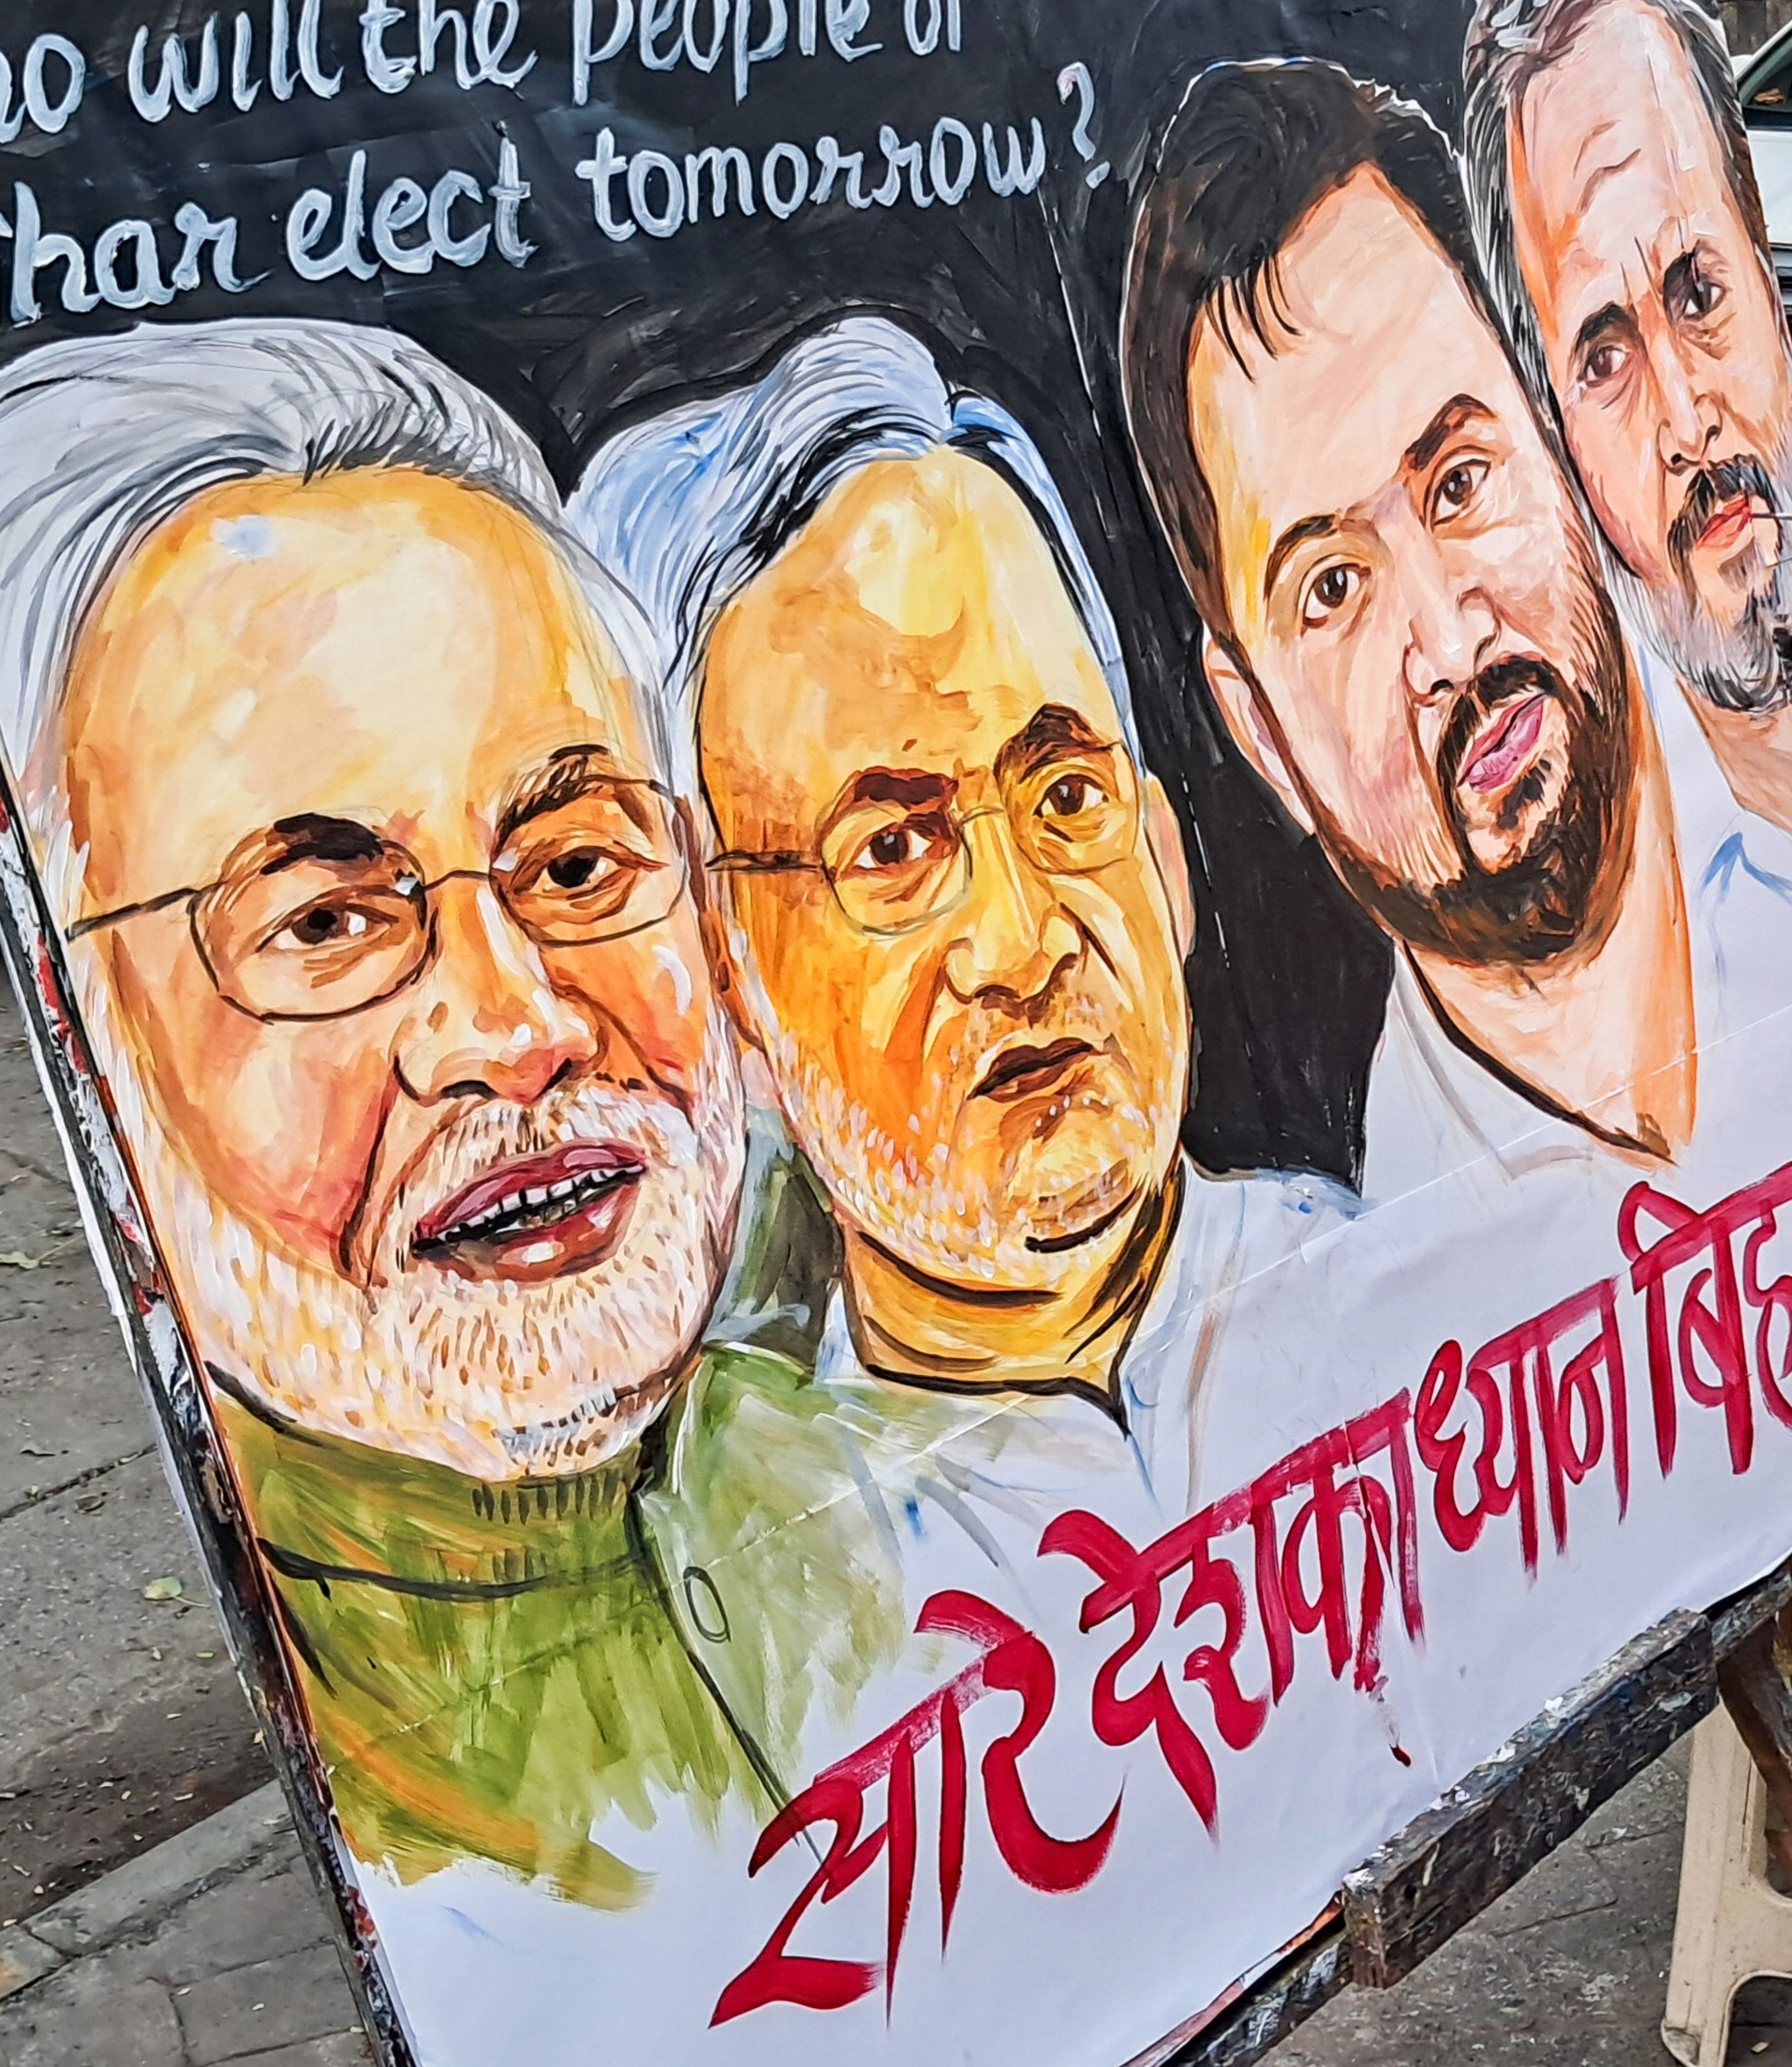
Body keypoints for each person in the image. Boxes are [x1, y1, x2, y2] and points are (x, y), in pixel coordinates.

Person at [0, 318, 754, 1906]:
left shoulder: (861, 1474)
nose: (511, 1029)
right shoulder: (412, 1782)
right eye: (322, 922)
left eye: (576, 863)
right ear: (88, 1013)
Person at [574, 316, 1356, 1778]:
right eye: (890, 847)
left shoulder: (1403, 1296)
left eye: (1065, 796)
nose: (1022, 939)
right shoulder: (731, 1584)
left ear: (1169, 857)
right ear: (725, 989)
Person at [1119, 58, 1702, 1196]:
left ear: (1560, 439)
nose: (1449, 643)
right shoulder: (1379, 1263)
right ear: (1259, 732)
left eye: (1460, 481)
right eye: (1332, 589)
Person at [1459, 0, 1792, 946]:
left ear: (1763, 265)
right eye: (1603, 357)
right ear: (1550, 427)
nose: (1689, 423)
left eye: (1698, 290)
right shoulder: (1631, 957)